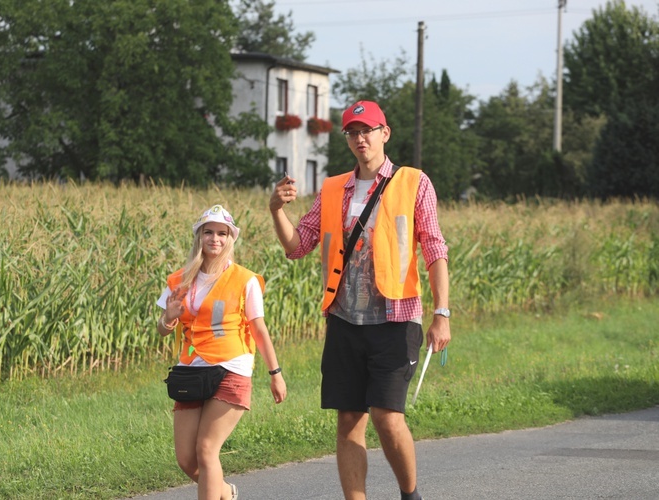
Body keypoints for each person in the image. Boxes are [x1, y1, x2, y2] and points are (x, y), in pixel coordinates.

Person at [268, 100, 450, 500]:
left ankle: (410, 494)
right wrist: (276, 210)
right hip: (344, 320)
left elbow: (435, 248)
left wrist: (442, 312)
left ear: (385, 133)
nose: (359, 138)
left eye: (367, 130)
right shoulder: (333, 188)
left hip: (396, 318)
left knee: (387, 417)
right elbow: (299, 246)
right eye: (352, 131)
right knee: (349, 419)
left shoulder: (414, 182)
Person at [157, 204, 287, 500]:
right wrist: (168, 317)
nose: (215, 239)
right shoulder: (179, 280)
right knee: (186, 459)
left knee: (206, 449)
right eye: (209, 232)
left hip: (232, 368)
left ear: (230, 239)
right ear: (199, 237)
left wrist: (275, 373)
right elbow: (162, 329)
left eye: (222, 233)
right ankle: (225, 493)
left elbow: (258, 329)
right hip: (191, 370)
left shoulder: (245, 280)